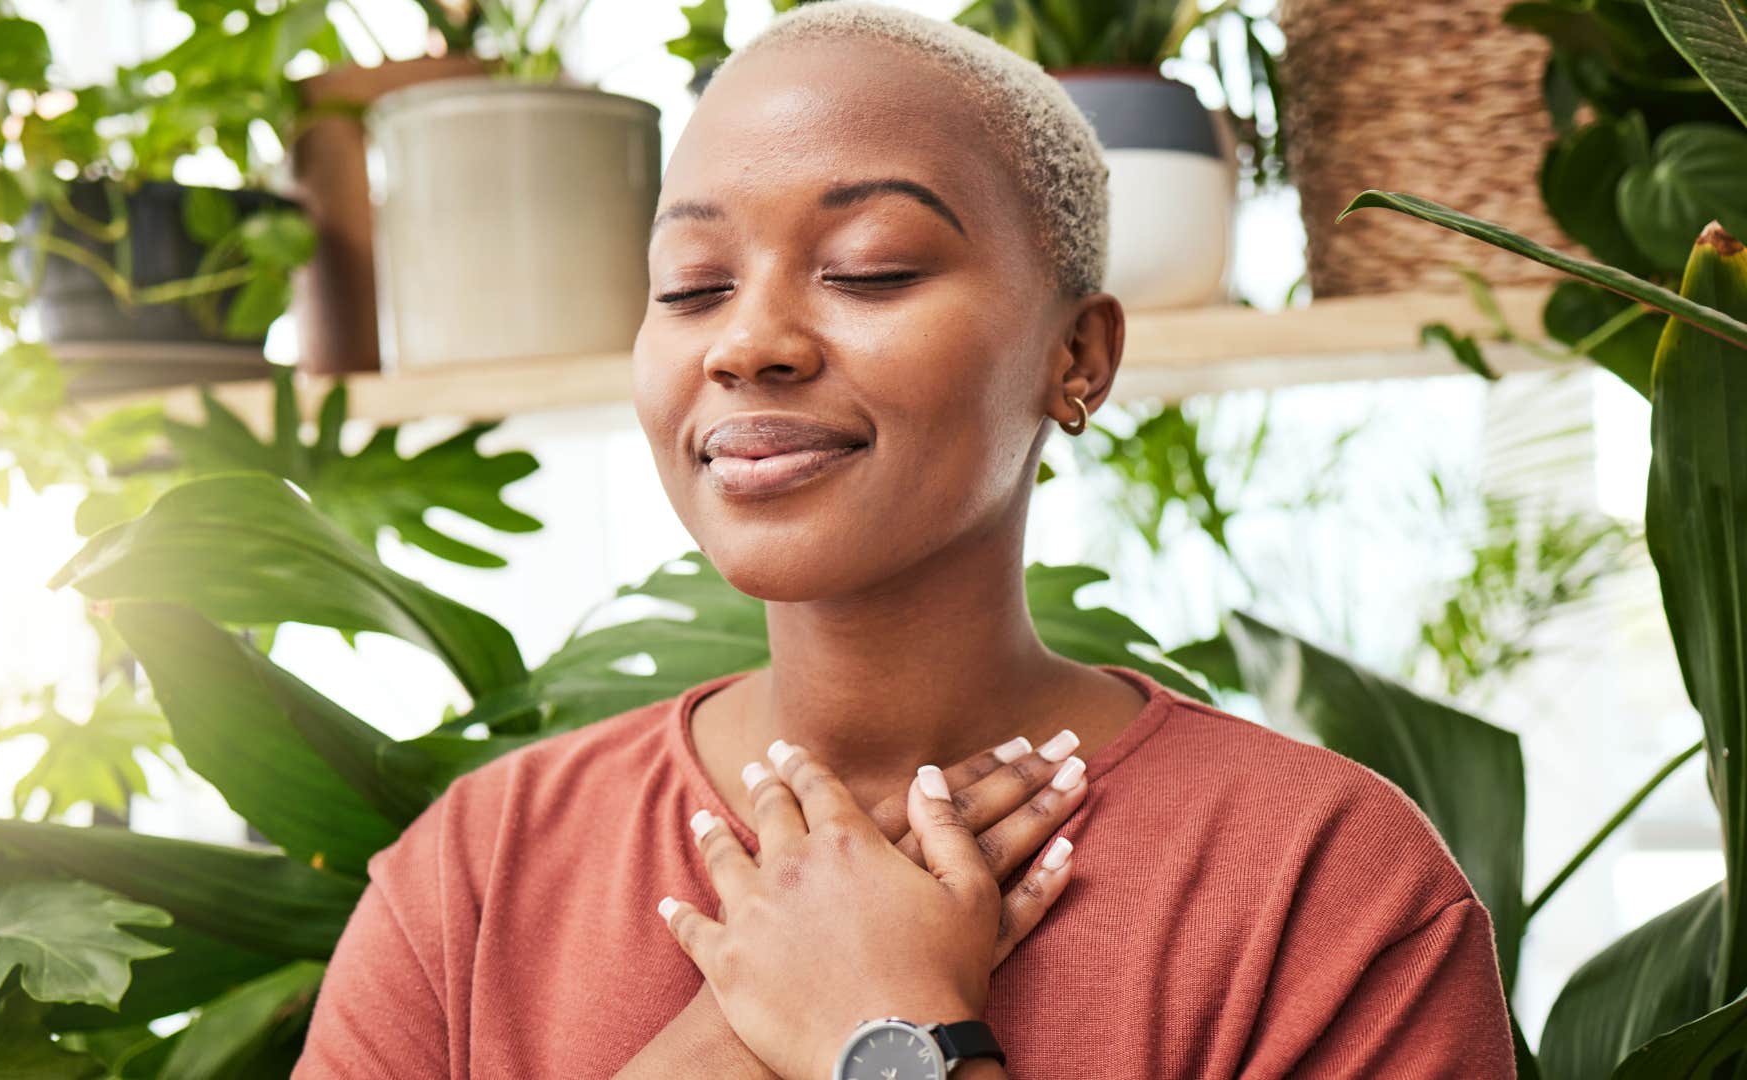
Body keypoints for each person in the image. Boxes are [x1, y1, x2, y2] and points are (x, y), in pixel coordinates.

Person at [292, 3, 1518, 1077]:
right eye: (691, 284)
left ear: (1076, 356)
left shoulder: (1322, 887)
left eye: (869, 270)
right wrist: (733, 1040)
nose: (746, 341)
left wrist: (887, 1037)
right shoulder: (478, 870)